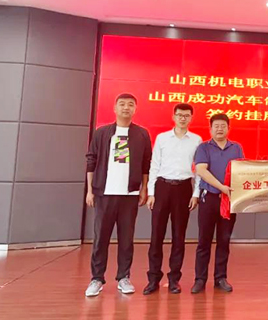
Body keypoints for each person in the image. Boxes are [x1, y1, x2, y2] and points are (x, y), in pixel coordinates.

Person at [84, 93, 151, 297]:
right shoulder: (102, 133)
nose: (126, 107)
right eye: (122, 104)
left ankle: (123, 277)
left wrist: (144, 188)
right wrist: (90, 190)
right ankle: (96, 279)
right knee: (100, 238)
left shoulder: (141, 134)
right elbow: (91, 161)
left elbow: (146, 164)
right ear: (115, 108)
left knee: (126, 239)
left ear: (135, 109)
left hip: (129, 194)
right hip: (104, 193)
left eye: (130, 104)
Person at [143, 103, 202, 295]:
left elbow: (199, 170)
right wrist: (151, 192)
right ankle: (153, 279)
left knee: (179, 236)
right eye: (179, 115)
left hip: (184, 188)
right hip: (162, 187)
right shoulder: (162, 138)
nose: (182, 118)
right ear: (174, 117)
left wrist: (195, 194)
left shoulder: (196, 140)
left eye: (186, 115)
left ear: (191, 118)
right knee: (156, 236)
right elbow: (154, 165)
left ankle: (174, 279)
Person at [191, 113, 245, 294]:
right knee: (204, 241)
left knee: (224, 240)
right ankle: (200, 279)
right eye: (216, 126)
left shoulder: (236, 148)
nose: (220, 129)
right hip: (210, 198)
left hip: (229, 200)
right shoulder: (203, 147)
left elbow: (242, 171)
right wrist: (221, 187)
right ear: (210, 129)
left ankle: (220, 278)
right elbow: (201, 170)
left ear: (228, 128)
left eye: (223, 126)